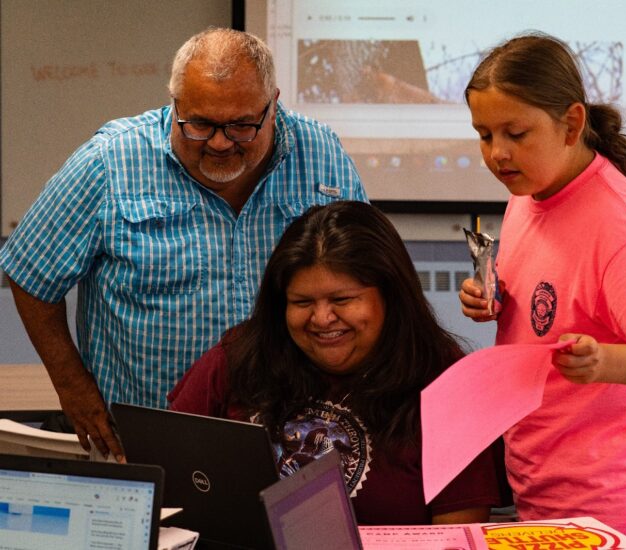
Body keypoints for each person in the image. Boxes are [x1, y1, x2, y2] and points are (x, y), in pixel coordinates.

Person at [0, 28, 366, 461]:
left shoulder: (320, 154)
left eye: (241, 125)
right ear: (174, 103)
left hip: (291, 443)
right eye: (200, 124)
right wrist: (72, 387)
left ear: (273, 106)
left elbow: (365, 274)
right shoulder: (111, 161)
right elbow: (29, 272)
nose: (219, 142)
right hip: (144, 440)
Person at [459, 32, 626, 548]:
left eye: (515, 133)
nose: (498, 153)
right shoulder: (530, 190)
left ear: (572, 123)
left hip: (613, 508)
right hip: (544, 488)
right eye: (483, 134)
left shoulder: (620, 226)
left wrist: (605, 363)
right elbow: (554, 303)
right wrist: (492, 297)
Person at [168, 201, 505, 525]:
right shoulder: (242, 355)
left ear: (390, 295)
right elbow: (167, 468)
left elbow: (457, 534)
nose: (322, 318)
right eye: (302, 302)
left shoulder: (445, 379)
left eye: (342, 300)